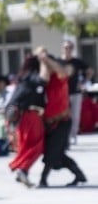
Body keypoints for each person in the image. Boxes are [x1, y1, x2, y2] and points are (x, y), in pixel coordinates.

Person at [38, 51, 87, 187]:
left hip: (62, 122)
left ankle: (43, 180)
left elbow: (63, 71)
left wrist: (46, 59)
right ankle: (79, 175)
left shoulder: (59, 78)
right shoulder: (44, 82)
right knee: (55, 154)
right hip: (49, 123)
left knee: (52, 153)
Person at [7, 52, 49, 187]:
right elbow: (43, 80)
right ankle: (22, 169)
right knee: (36, 146)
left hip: (20, 117)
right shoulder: (33, 76)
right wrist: (44, 61)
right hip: (30, 115)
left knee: (26, 146)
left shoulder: (23, 77)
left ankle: (23, 170)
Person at [61, 39, 89, 145]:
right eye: (65, 47)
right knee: (64, 115)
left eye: (69, 48)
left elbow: (89, 71)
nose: (67, 50)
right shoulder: (59, 61)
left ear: (72, 49)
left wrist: (83, 83)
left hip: (76, 92)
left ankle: (73, 136)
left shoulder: (77, 62)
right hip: (63, 93)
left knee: (75, 116)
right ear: (62, 49)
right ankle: (65, 136)